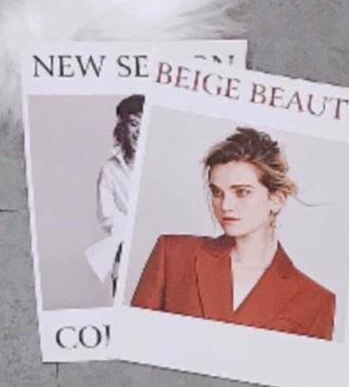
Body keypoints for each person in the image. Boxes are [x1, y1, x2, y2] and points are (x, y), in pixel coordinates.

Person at [131, 126, 335, 339]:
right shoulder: (173, 256)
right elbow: (132, 341)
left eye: (242, 192)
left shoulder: (315, 301)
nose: (225, 205)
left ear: (276, 199)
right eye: (217, 192)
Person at [85, 94, 143, 294]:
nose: (139, 131)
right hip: (124, 249)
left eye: (144, 124)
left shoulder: (161, 164)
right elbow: (107, 215)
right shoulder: (109, 169)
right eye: (134, 124)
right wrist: (131, 231)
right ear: (123, 127)